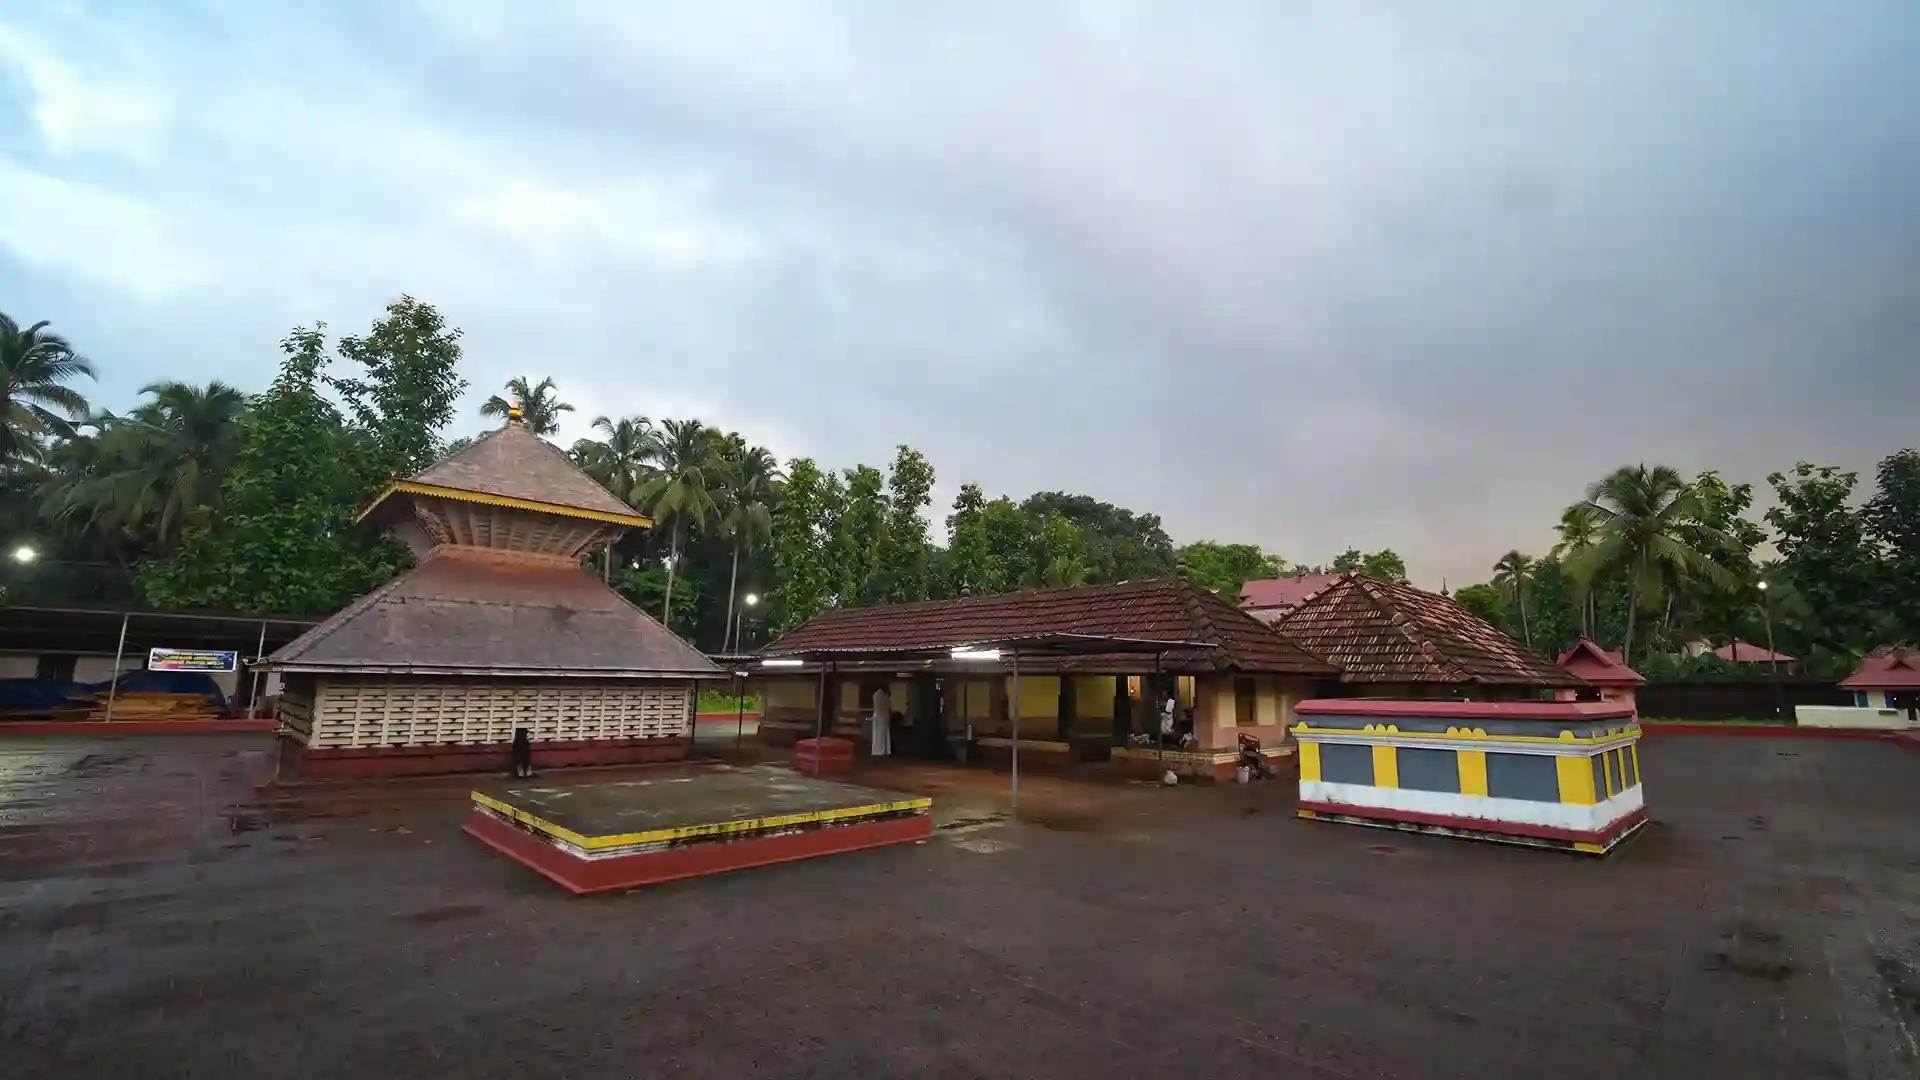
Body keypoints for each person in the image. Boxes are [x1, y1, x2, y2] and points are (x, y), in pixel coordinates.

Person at [870, 685, 892, 757]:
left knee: (877, 734)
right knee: (884, 734)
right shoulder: (886, 696)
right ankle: (885, 750)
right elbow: (888, 707)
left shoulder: (874, 695)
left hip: (877, 716)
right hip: (884, 716)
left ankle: (877, 750)